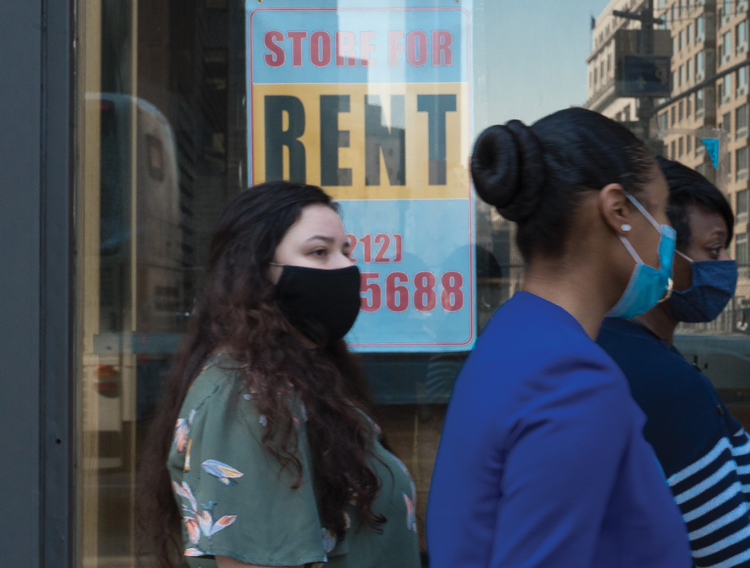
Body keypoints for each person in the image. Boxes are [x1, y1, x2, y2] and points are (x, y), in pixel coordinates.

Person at [426, 108, 692, 568]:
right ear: (618, 211)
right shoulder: (572, 380)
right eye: (662, 211)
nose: (668, 234)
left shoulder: (512, 335)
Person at [140, 182, 421, 568]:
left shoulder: (300, 378)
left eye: (346, 251)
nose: (345, 267)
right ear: (255, 273)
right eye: (319, 252)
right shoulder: (245, 396)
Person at [597, 158, 750, 568]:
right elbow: (731, 558)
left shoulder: (617, 346)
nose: (726, 265)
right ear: (655, 244)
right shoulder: (660, 382)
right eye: (713, 249)